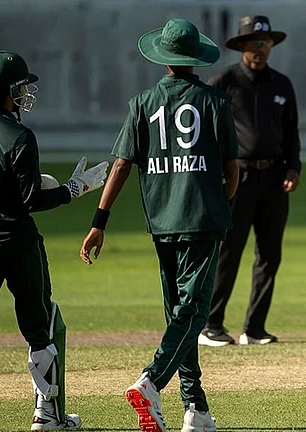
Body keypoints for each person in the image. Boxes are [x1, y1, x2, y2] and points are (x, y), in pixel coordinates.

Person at [0, 50, 108, 430]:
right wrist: (74, 188)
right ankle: (48, 416)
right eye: (22, 86)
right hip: (15, 245)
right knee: (42, 327)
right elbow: (32, 200)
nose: (25, 92)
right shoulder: (19, 136)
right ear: (8, 90)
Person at [79, 18, 239, 432]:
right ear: (194, 58)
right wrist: (222, 201)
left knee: (179, 315)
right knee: (193, 313)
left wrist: (99, 221)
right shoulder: (215, 102)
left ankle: (196, 410)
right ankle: (151, 381)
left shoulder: (141, 103)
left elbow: (120, 165)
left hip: (161, 221)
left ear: (163, 58)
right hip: (204, 219)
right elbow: (232, 168)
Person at [199, 15, 300, 347]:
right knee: (229, 250)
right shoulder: (224, 82)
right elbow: (202, 126)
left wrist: (293, 168)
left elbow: (291, 132)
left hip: (274, 177)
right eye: (254, 43)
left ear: (271, 45)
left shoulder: (281, 84)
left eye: (265, 42)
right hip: (236, 177)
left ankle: (254, 329)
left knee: (269, 254)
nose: (259, 49)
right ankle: (211, 325)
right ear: (242, 46)